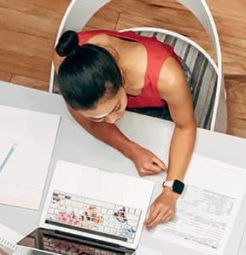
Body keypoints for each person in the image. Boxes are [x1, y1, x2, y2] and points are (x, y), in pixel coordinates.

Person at [53, 28, 197, 228]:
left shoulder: (169, 78)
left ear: (121, 76)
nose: (112, 121)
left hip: (162, 91)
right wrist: (131, 149)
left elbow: (185, 127)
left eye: (116, 108)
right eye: (100, 117)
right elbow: (76, 111)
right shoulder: (67, 61)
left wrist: (171, 191)